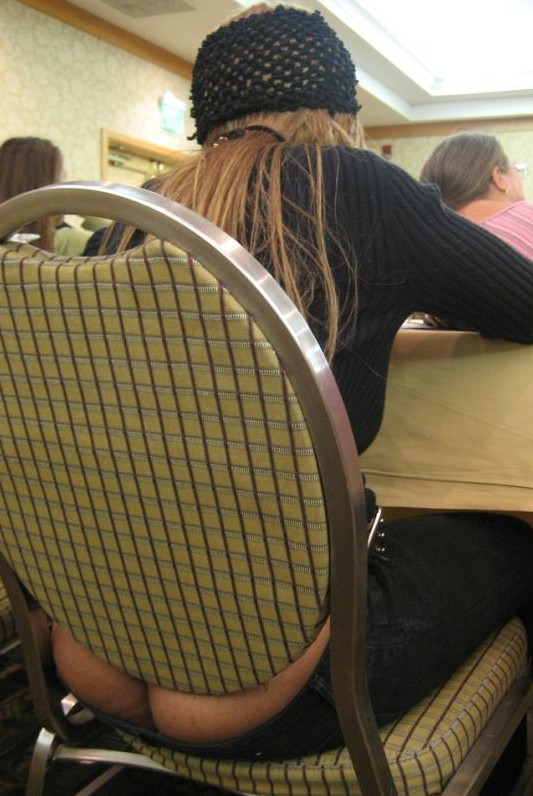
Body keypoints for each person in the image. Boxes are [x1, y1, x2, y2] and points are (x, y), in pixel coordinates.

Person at [51, 2, 533, 761]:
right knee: (513, 535)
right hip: (280, 683)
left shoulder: (126, 216)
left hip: (95, 653)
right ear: (339, 113)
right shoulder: (362, 187)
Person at [420, 131, 533, 259]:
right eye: (516, 169)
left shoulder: (426, 243)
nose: (520, 178)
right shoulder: (527, 216)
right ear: (499, 177)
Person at [0, 136, 91, 254]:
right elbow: (112, 239)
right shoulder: (70, 241)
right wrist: (87, 206)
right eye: (61, 177)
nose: (65, 180)